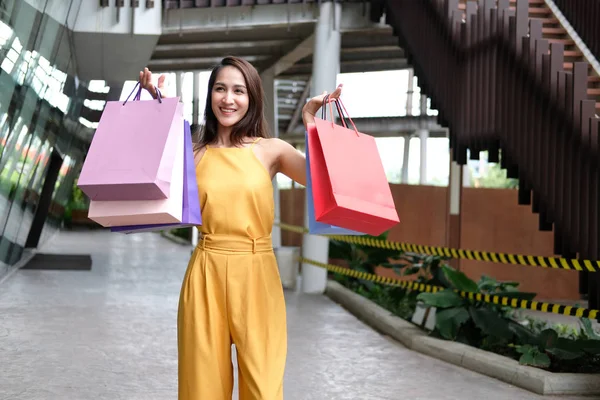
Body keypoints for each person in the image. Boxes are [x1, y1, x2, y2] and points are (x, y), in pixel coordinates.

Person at [139, 56, 342, 400]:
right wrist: (155, 107)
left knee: (263, 387)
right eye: (220, 89)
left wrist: (311, 122)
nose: (228, 99)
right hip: (206, 270)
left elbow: (324, 179)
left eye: (238, 90)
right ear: (210, 95)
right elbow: (147, 170)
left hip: (257, 271)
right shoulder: (193, 151)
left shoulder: (270, 150)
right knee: (201, 388)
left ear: (252, 98)